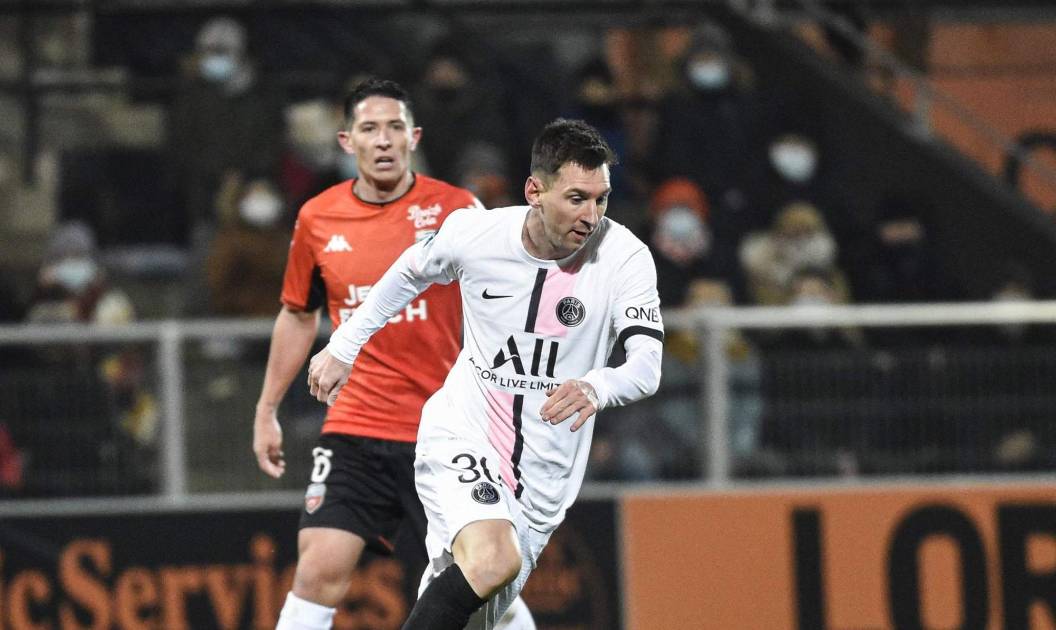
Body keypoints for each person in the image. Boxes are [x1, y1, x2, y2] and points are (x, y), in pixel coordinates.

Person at [307, 118, 664, 629]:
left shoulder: (624, 257)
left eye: (601, 199)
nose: (591, 215)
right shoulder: (476, 235)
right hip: (463, 433)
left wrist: (597, 384)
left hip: (544, 477)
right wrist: (344, 346)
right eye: (576, 198)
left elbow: (646, 366)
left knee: (477, 601)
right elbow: (408, 272)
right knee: (494, 560)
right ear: (534, 192)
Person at [252, 78, 534, 630]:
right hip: (357, 426)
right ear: (346, 141)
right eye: (369, 128)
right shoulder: (317, 218)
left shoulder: (457, 210)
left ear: (414, 137)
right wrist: (266, 409)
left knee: (486, 580)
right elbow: (298, 314)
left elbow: (506, 303)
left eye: (394, 127)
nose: (382, 139)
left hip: (445, 434)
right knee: (318, 568)